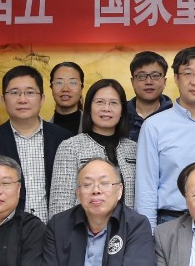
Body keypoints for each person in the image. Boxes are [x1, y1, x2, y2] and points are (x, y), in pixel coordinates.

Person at [134, 46, 195, 225]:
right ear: (176, 78)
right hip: (170, 221)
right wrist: (148, 234)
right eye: (188, 73)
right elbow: (146, 188)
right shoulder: (154, 126)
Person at [0, 65, 70, 221]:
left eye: (30, 93)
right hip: (7, 231)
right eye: (14, 93)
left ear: (42, 99)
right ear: (3, 100)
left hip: (56, 230)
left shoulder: (64, 139)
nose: (22, 99)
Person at [51, 78, 138, 219]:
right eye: (100, 102)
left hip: (127, 228)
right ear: (89, 108)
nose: (106, 108)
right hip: (82, 228)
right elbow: (60, 204)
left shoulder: (134, 149)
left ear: (122, 110)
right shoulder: (70, 147)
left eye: (113, 103)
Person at [126, 50, 173, 140]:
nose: (148, 82)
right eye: (141, 76)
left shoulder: (176, 117)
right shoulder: (119, 115)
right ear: (132, 82)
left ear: (164, 81)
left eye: (155, 76)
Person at [49, 61, 86, 135]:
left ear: (81, 88)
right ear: (51, 88)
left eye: (72, 83)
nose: (65, 89)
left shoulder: (94, 129)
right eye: (59, 82)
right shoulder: (42, 130)